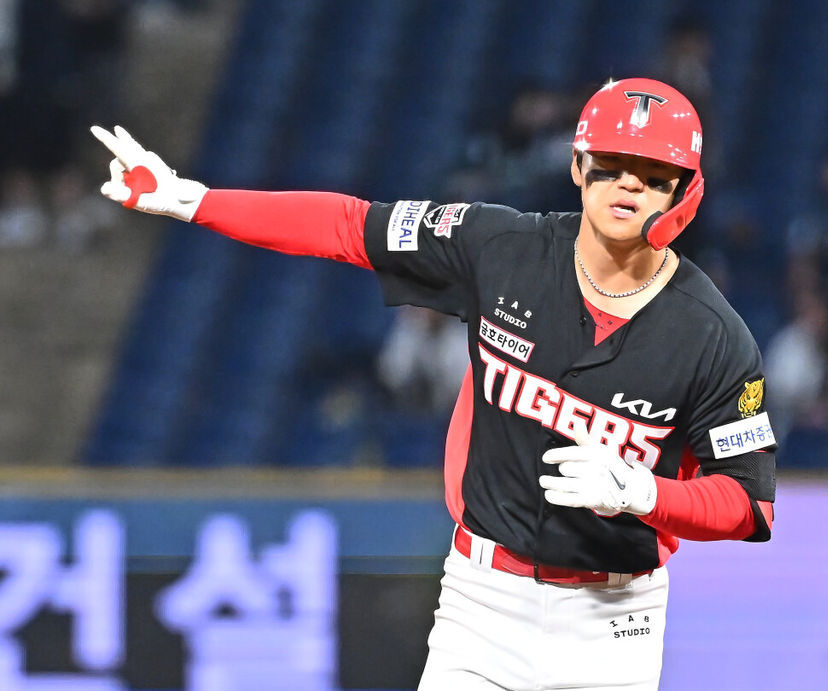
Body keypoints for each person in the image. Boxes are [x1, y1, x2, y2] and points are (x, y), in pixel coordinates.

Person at [92, 77, 776, 690]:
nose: (628, 184)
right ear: (577, 165)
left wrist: (642, 491)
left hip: (613, 621)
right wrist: (195, 200)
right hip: (483, 601)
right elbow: (348, 226)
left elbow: (750, 505)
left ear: (685, 190)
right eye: (611, 164)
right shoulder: (499, 249)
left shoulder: (713, 335)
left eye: (655, 173)